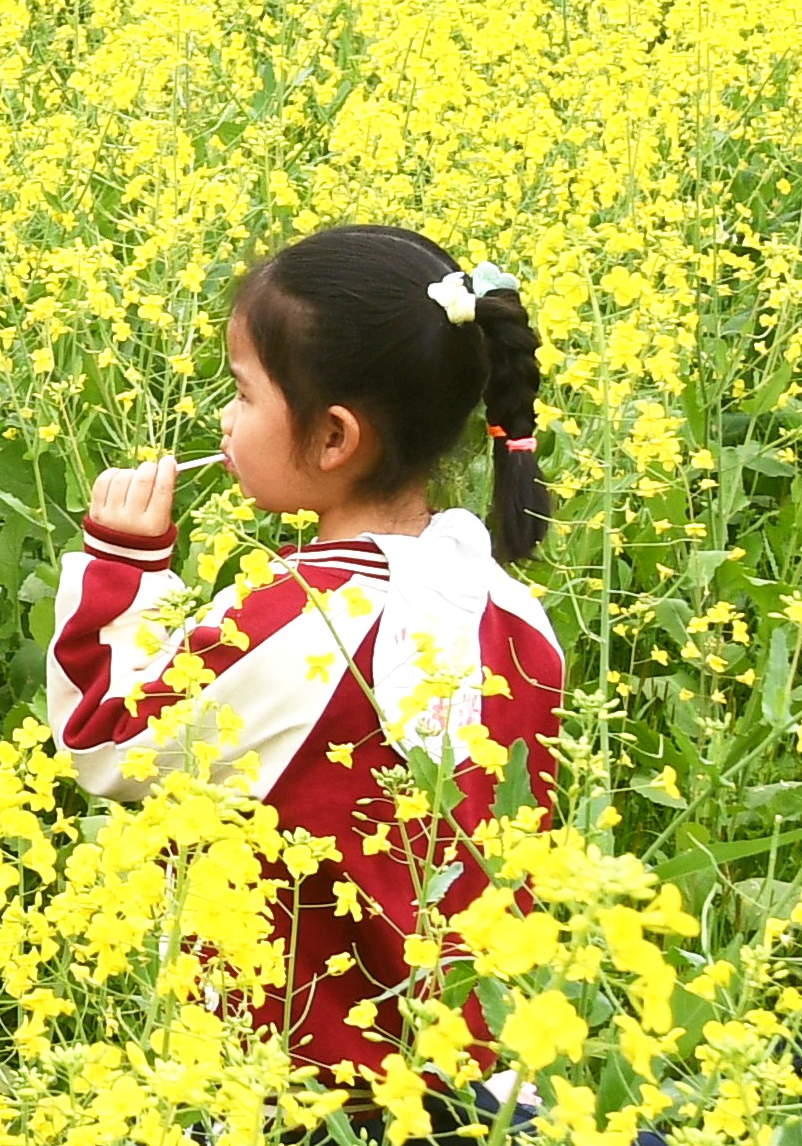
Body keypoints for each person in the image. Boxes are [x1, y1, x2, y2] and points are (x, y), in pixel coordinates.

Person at [47, 227, 561, 1077]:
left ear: (333, 438)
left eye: (243, 393)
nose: (225, 418)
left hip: (291, 1094)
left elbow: (107, 741)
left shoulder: (298, 620)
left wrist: (123, 565)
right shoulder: (513, 610)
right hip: (467, 1088)